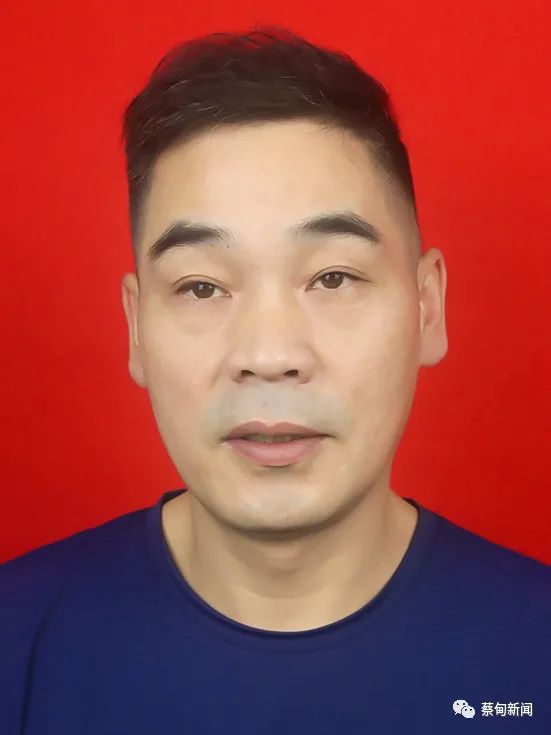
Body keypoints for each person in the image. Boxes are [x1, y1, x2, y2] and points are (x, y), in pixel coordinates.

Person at [1, 26, 549, 735]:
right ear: (136, 329)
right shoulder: (18, 641)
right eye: (201, 287)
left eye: (333, 277)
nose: (268, 354)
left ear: (428, 307)